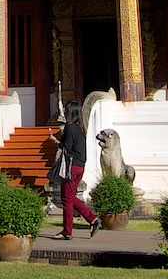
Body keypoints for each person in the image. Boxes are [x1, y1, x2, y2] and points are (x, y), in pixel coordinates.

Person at [49, 100, 98, 240]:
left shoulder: (70, 128)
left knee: (66, 199)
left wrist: (55, 141)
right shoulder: (81, 128)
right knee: (69, 197)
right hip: (80, 166)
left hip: (72, 167)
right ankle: (92, 220)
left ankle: (68, 231)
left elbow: (67, 149)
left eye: (66, 109)